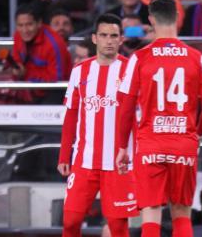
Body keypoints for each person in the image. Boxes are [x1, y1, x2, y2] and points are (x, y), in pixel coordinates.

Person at [115, 0, 202, 237]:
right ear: (178, 18)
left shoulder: (139, 58)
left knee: (151, 212)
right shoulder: (195, 57)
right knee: (181, 212)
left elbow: (125, 107)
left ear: (150, 20)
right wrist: (197, 133)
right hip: (183, 143)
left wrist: (122, 147)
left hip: (150, 144)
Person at [58, 13, 137, 237]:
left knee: (118, 226)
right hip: (85, 161)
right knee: (70, 221)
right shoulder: (80, 71)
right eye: (104, 35)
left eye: (114, 36)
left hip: (119, 163)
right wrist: (64, 155)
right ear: (94, 38)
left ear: (121, 39)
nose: (109, 40)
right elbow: (71, 115)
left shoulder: (132, 70)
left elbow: (139, 117)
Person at [11, 4, 71, 104]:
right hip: (30, 89)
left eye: (29, 24)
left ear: (39, 23)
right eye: (20, 25)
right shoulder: (18, 35)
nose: (24, 30)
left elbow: (57, 81)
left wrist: (27, 75)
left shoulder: (54, 44)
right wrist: (16, 68)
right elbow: (17, 59)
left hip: (55, 91)